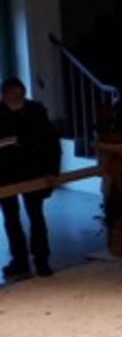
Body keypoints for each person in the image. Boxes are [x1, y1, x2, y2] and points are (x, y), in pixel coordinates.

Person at [0, 77, 62, 280]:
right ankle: (20, 261)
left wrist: (53, 171)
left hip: (33, 171)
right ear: (5, 94)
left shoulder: (36, 111)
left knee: (36, 216)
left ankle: (41, 260)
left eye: (19, 92)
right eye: (12, 93)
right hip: (5, 175)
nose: (16, 96)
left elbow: (51, 142)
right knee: (11, 219)